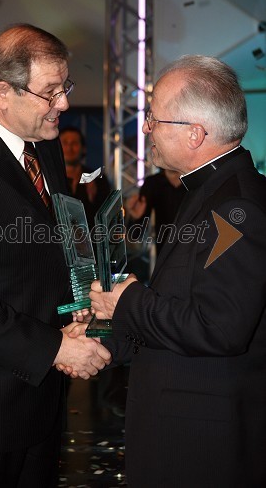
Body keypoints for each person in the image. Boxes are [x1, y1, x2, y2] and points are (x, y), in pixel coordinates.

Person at [0, 23, 111, 488]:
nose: (65, 105)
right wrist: (56, 348)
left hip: (39, 400)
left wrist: (76, 313)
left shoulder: (42, 149)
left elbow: (44, 255)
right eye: (51, 93)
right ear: (3, 93)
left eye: (65, 87)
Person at [86, 55, 266, 486]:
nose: (145, 128)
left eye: (154, 118)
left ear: (195, 133)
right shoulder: (210, 192)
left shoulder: (235, 206)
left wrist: (127, 299)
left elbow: (218, 326)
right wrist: (108, 335)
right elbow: (180, 308)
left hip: (202, 444)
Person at [60, 126, 111, 230]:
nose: (69, 148)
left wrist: (94, 198)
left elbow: (108, 216)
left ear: (83, 148)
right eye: (65, 143)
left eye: (74, 143)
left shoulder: (96, 177)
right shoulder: (50, 176)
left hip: (90, 240)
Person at [126, 168, 186, 254]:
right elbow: (135, 234)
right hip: (165, 255)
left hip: (196, 254)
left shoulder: (195, 181)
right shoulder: (153, 183)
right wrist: (135, 218)